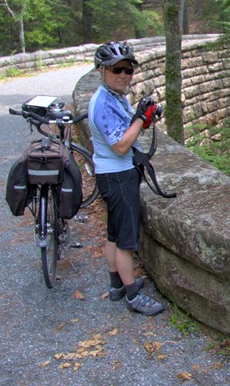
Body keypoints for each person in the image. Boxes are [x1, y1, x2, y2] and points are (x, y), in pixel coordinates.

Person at [88, 41, 165, 316]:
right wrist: (140, 119)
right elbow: (121, 145)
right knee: (125, 241)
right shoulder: (102, 104)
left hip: (116, 173)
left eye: (128, 70)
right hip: (117, 176)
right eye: (116, 69)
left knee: (114, 232)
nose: (123, 75)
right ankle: (133, 295)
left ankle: (117, 285)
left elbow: (126, 131)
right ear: (102, 70)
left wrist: (143, 117)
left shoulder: (114, 96)